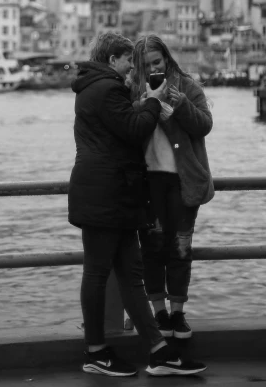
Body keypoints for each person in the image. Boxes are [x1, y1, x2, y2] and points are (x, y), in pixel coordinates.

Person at [68, 31, 207, 377]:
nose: (134, 68)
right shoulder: (108, 90)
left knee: (131, 274)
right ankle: (97, 351)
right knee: (103, 273)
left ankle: (160, 351)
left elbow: (202, 124)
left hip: (116, 196)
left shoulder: (98, 88)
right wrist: (155, 102)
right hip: (107, 195)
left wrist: (165, 103)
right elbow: (134, 128)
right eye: (130, 60)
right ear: (113, 60)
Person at [132, 34, 214, 340]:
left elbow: (204, 125)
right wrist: (143, 105)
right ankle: (159, 313)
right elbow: (125, 131)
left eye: (157, 62)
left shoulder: (187, 87)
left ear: (167, 58)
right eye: (147, 65)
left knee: (181, 248)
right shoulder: (133, 91)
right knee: (152, 249)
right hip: (148, 181)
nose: (154, 68)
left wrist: (180, 107)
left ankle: (178, 314)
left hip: (183, 179)